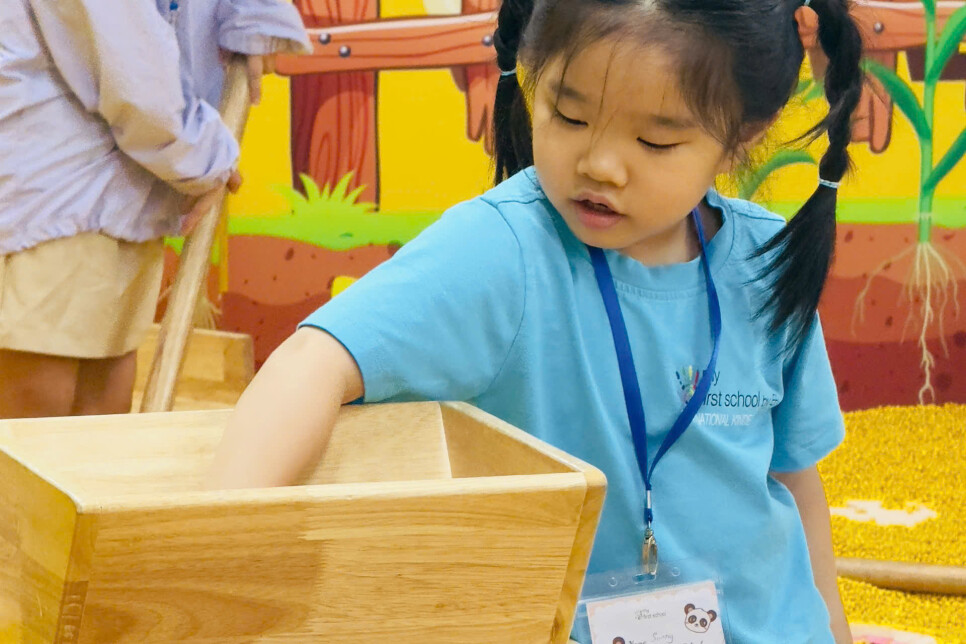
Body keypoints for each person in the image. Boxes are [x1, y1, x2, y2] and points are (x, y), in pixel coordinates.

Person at [208, 0, 863, 640]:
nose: (599, 165)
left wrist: (833, 629)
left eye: (655, 141)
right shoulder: (505, 250)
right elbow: (312, 362)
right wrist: (215, 554)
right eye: (569, 115)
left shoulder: (765, 258)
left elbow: (791, 478)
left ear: (742, 135)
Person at [0, 0, 309, 418]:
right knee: (39, 409)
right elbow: (129, 62)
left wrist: (249, 13)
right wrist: (201, 155)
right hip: (57, 186)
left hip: (126, 186)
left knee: (103, 393)